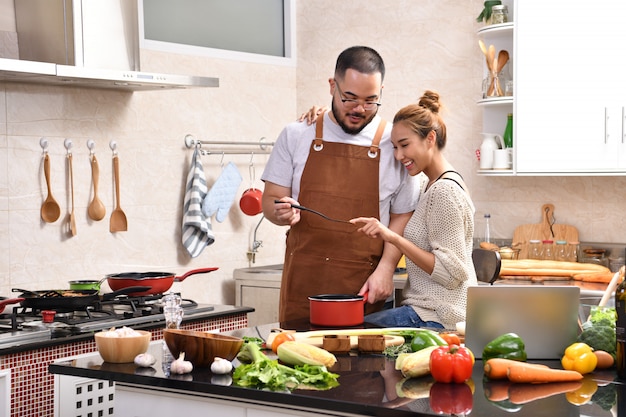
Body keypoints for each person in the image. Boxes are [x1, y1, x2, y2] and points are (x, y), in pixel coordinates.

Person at [261, 46, 418, 322]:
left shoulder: (394, 142)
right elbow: (270, 201)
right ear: (333, 86)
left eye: (371, 101)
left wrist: (386, 268)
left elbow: (402, 215)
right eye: (350, 98)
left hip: (364, 289)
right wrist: (279, 212)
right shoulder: (297, 134)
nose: (360, 109)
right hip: (303, 288)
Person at [351, 90, 477, 330]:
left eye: (404, 145)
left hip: (439, 316)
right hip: (425, 311)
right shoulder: (427, 183)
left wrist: (392, 237)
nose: (398, 155)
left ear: (430, 139)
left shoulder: (444, 192)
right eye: (395, 147)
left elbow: (452, 274)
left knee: (348, 335)